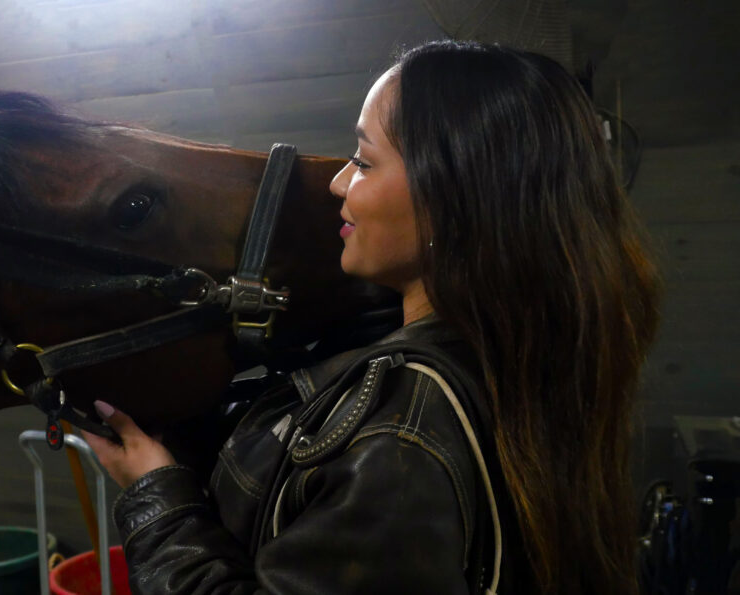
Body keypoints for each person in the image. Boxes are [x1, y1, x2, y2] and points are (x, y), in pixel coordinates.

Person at [82, 40, 660, 594]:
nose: (338, 183)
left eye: (363, 159)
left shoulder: (404, 428)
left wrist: (156, 499)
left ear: (451, 195)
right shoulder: (527, 348)